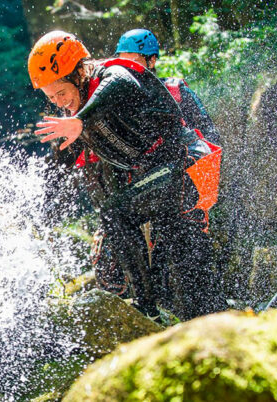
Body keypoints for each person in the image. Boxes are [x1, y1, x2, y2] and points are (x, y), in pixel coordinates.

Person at [30, 31, 224, 320]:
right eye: (52, 97)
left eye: (62, 92)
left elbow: (121, 84)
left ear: (80, 73)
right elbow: (70, 169)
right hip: (162, 178)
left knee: (147, 229)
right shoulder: (77, 115)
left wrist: (80, 121)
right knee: (151, 246)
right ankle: (158, 312)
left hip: (188, 164)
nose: (60, 102)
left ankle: (156, 312)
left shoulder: (114, 74)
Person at [115, 28, 220, 144]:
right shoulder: (114, 97)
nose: (128, 70)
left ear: (152, 61)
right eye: (123, 64)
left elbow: (210, 136)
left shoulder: (176, 93)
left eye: (134, 62)